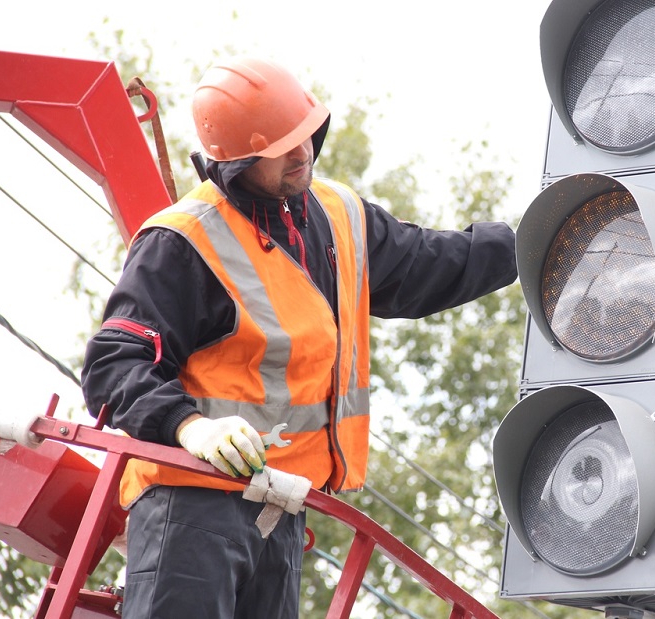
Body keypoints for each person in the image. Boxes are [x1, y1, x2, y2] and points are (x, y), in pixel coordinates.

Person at [80, 56, 517, 618]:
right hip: (190, 510)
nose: (301, 154)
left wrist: (532, 244)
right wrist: (189, 427)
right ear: (236, 162)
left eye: (306, 135)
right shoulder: (183, 241)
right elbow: (113, 363)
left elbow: (432, 264)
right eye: (280, 147)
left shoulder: (338, 217)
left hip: (280, 510)